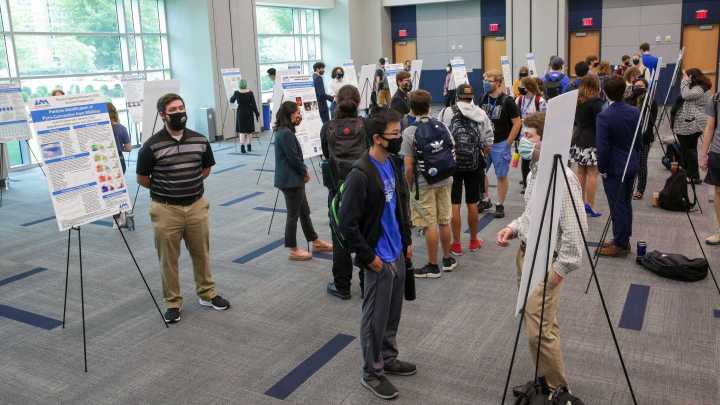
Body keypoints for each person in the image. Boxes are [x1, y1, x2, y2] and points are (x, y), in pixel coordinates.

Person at [496, 111, 587, 404]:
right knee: (538, 323)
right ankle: (546, 380)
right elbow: (532, 215)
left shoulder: (564, 177)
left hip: (548, 263)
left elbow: (575, 231)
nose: (523, 141)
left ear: (547, 142)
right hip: (527, 255)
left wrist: (559, 270)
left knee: (539, 331)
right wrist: (513, 228)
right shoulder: (536, 170)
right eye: (524, 135)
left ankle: (560, 391)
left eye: (530, 137)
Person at [337, 108, 414, 400]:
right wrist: (369, 258)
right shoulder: (360, 173)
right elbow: (347, 223)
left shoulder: (392, 164)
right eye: (395, 134)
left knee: (392, 315)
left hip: (397, 253)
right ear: (377, 138)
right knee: (374, 319)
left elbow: (398, 206)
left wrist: (406, 240)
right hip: (378, 258)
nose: (399, 138)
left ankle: (388, 357)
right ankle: (372, 372)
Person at [136, 93, 230, 324]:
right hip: (166, 210)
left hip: (196, 205)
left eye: (181, 108)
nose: (179, 113)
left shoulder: (199, 140)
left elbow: (206, 168)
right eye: (173, 110)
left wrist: (189, 183)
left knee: (202, 253)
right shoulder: (151, 146)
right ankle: (173, 303)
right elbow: (142, 178)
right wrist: (167, 189)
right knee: (169, 259)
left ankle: (207, 294)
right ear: (162, 115)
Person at [401, 90, 457, 278]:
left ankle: (432, 266)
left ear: (411, 108)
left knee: (429, 224)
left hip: (424, 183)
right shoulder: (441, 125)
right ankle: (448, 259)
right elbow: (451, 147)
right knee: (444, 220)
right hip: (445, 178)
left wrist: (409, 186)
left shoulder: (410, 132)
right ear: (429, 105)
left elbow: (408, 166)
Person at [321, 85, 367, 299]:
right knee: (367, 233)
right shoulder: (366, 126)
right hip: (364, 187)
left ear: (336, 102)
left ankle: (342, 286)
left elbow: (325, 153)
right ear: (358, 102)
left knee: (339, 236)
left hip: (337, 189)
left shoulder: (327, 128)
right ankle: (367, 284)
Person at [273, 101, 333, 261]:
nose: (300, 116)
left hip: (292, 180)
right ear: (289, 115)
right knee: (293, 215)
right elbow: (293, 158)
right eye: (297, 113)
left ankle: (315, 241)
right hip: (290, 181)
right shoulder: (285, 133)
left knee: (304, 212)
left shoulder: (284, 131)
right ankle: (293, 249)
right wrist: (304, 172)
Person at [439, 84, 494, 256]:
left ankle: (456, 244)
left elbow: (440, 137)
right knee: (472, 203)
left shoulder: (446, 112)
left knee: (454, 204)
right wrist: (480, 155)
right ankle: (473, 240)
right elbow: (488, 141)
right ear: (472, 97)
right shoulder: (481, 113)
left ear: (457, 96)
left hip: (452, 164)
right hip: (474, 164)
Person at [596, 78, 641, 257]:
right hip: (631, 163)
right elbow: (639, 138)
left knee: (617, 205)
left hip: (614, 167)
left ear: (604, 92)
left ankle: (620, 242)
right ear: (624, 91)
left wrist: (602, 168)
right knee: (625, 203)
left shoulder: (604, 116)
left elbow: (602, 146)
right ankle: (623, 238)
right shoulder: (635, 111)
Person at [479, 69, 522, 218]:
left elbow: (517, 124)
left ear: (498, 82)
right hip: (485, 143)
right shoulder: (483, 98)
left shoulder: (507, 101)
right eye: (485, 79)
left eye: (489, 80)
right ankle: (485, 199)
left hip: (500, 143)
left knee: (501, 175)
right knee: (480, 172)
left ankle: (500, 204)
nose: (486, 82)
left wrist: (508, 144)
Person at [570, 76, 605, 217]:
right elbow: (601, 123)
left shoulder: (578, 100)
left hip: (578, 139)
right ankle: (590, 205)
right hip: (592, 140)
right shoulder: (597, 103)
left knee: (580, 172)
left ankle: (580, 203)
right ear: (597, 85)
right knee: (593, 173)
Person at [674, 68, 712, 184]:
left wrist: (684, 82)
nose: (683, 78)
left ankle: (692, 176)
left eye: (685, 76)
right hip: (691, 122)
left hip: (692, 123)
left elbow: (685, 95)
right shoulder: (699, 88)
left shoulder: (699, 89)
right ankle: (690, 175)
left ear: (691, 77)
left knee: (688, 151)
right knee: (690, 149)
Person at [628, 78, 658, 200]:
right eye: (635, 86)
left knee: (641, 163)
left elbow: (651, 121)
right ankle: (628, 188)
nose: (637, 88)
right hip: (629, 135)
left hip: (644, 136)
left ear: (646, 87)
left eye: (640, 86)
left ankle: (640, 189)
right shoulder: (629, 99)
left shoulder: (651, 101)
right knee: (630, 163)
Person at [516, 77, 547, 191]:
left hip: (536, 135)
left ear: (529, 87)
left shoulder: (540, 101)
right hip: (523, 134)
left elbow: (545, 118)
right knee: (525, 159)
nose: (520, 88)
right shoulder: (519, 100)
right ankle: (526, 184)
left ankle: (537, 182)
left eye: (522, 86)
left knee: (536, 159)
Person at [107, 102, 133, 228]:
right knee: (120, 187)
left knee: (111, 190)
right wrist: (120, 147)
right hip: (119, 161)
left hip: (104, 162)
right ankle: (125, 211)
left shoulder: (100, 129)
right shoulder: (121, 128)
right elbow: (129, 148)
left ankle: (117, 218)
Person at [700, 91, 720, 244]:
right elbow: (710, 127)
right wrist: (704, 153)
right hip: (718, 151)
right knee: (718, 191)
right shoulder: (716, 98)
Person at [229, 79, 260, 154]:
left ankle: (242, 147)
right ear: (246, 84)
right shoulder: (250, 92)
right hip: (249, 112)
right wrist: (257, 113)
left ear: (239, 85)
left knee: (242, 131)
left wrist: (232, 97)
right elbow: (254, 104)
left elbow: (231, 100)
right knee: (249, 131)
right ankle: (249, 146)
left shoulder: (236, 92)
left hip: (240, 113)